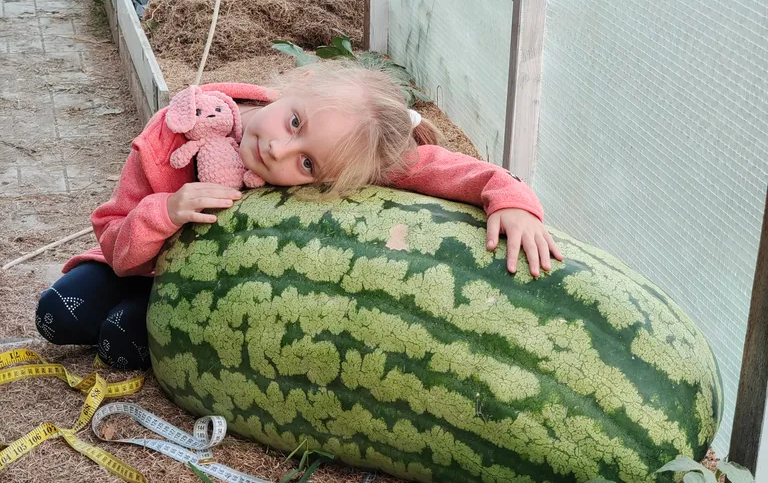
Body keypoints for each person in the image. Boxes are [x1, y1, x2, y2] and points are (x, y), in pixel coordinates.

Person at [36, 62, 562, 370]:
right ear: (295, 88)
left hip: (198, 293)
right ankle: (138, 308)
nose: (278, 151)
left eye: (307, 164)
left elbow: (443, 168)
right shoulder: (176, 130)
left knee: (120, 340)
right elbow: (115, 241)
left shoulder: (347, 150)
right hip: (131, 261)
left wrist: (512, 199)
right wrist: (166, 210)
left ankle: (146, 317)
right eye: (293, 122)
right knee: (58, 314)